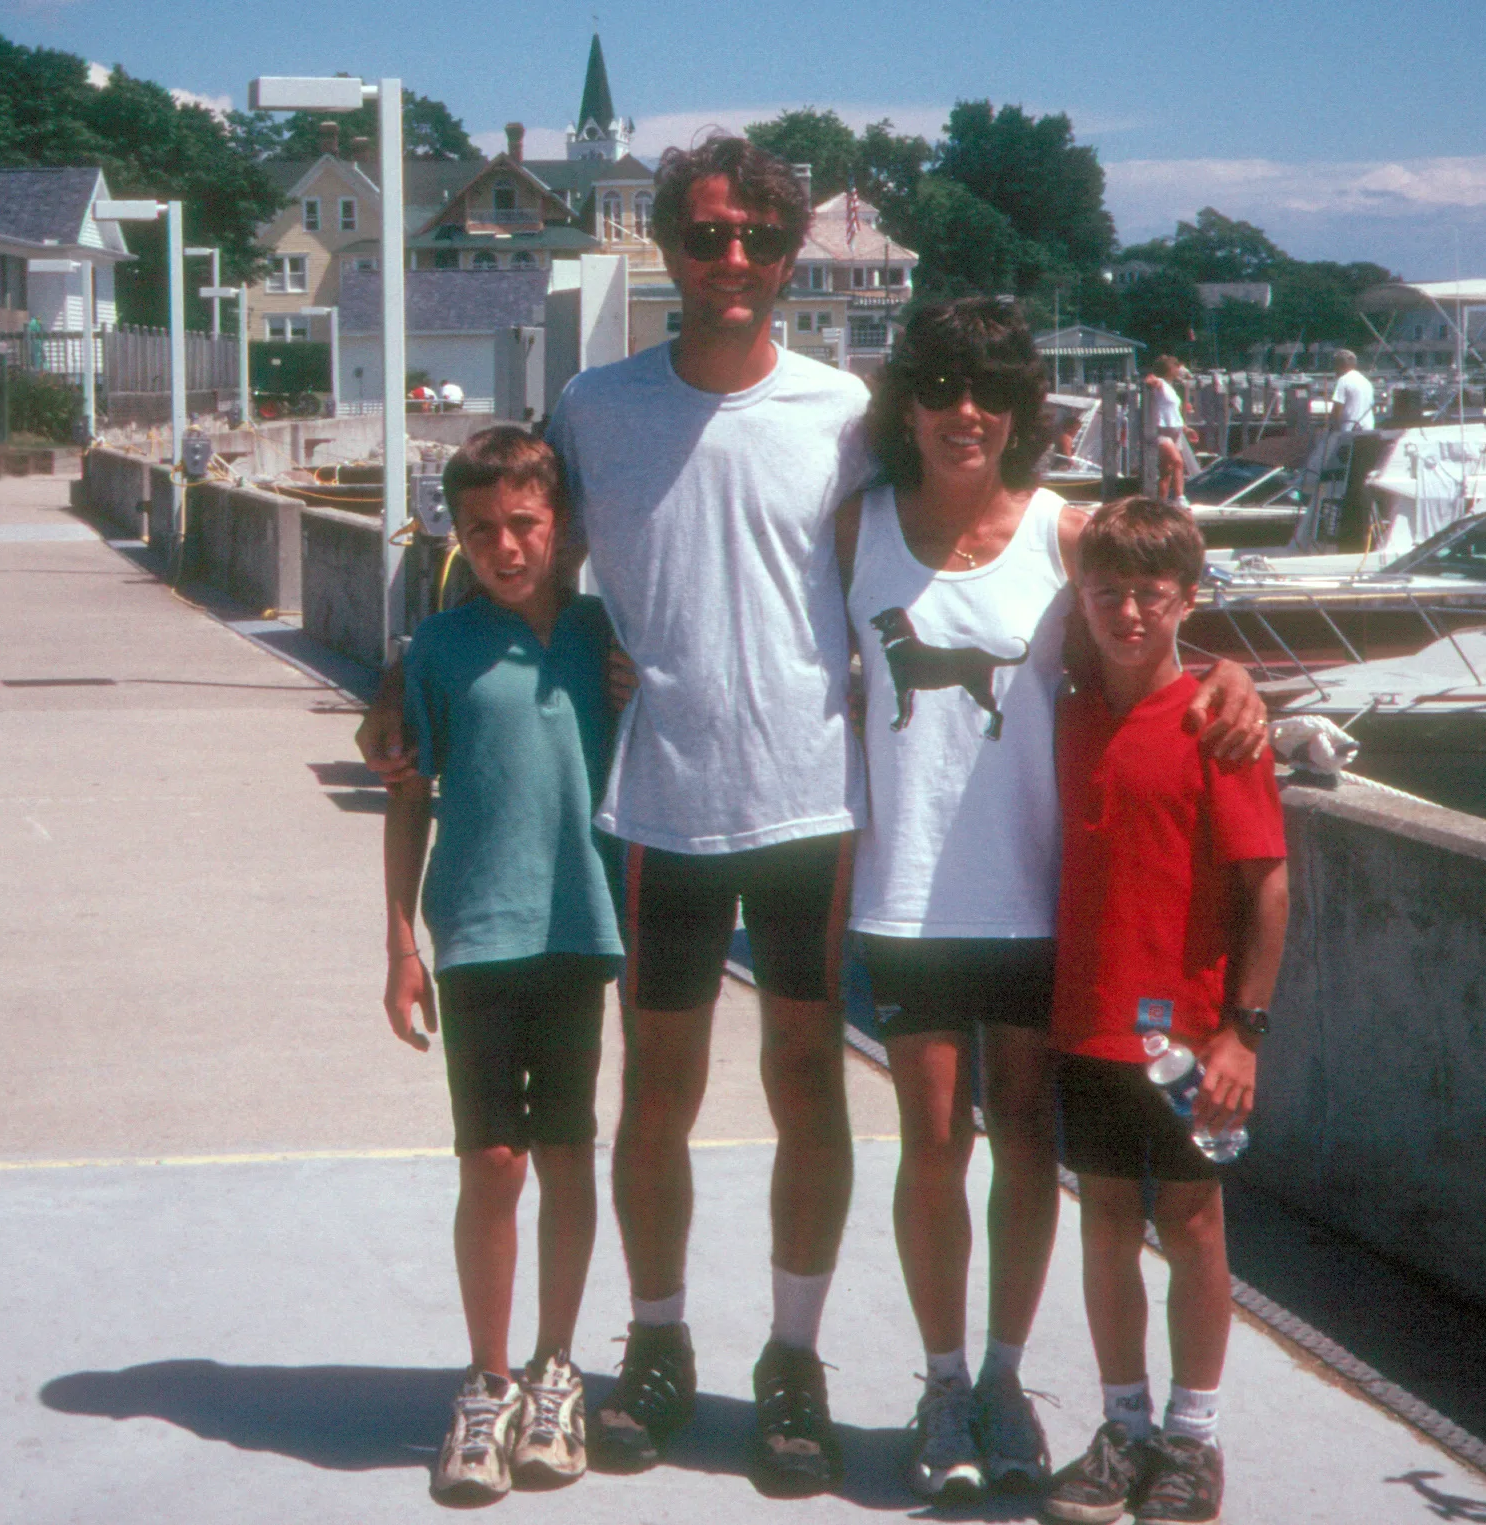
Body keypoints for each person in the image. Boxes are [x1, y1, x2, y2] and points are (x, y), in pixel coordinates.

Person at [361, 136, 1268, 1499]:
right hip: (660, 802)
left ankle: (794, 1356)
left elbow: (1103, 554)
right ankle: (657, 1346)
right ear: (665, 246)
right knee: (655, 1099)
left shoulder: (848, 413)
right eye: (709, 236)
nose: (734, 261)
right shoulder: (597, 409)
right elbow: (508, 535)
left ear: (792, 258)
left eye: (760, 240)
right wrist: (405, 665)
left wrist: (1229, 665)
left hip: (814, 811)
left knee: (807, 1093)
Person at [848, 298, 1268, 1504]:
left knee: (1027, 1147)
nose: (962, 412)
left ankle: (1003, 1378)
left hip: (1041, 908)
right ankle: (940, 1384)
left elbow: (1163, 613)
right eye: (938, 387)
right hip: (908, 898)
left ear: (1020, 412)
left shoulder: (1060, 531)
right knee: (932, 1145)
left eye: (988, 391)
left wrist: (1235, 670)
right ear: (908, 405)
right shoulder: (856, 530)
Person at [381, 428, 620, 1507]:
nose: (504, 546)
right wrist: (398, 945)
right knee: (494, 1161)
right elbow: (403, 793)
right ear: (454, 533)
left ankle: (554, 1368)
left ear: (560, 526)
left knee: (568, 1153)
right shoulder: (431, 648)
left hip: (581, 931)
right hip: (475, 936)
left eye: (524, 524)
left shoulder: (605, 638)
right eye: (479, 529)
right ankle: (485, 1382)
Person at [1041, 497, 1289, 1525]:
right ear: (1081, 599)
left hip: (1188, 1036)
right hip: (1087, 1022)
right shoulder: (1065, 704)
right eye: (1108, 592)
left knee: (1190, 1222)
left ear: (1186, 599)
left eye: (1151, 594)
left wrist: (1243, 1030)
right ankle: (1123, 1424)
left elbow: (1267, 886)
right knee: (1102, 1221)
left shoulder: (1215, 722)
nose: (1128, 612)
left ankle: (1192, 1436)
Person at [1144, 357, 1191, 507]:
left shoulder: (1171, 387)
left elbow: (1173, 412)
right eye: (1176, 367)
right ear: (1169, 369)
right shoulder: (1162, 384)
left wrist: (1186, 428)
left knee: (1166, 470)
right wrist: (1153, 380)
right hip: (1162, 431)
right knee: (1178, 462)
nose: (1178, 370)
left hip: (1175, 430)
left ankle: (1161, 503)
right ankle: (1180, 498)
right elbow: (1150, 379)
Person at [1328, 347, 1374, 434]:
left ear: (1339, 365)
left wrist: (1333, 429)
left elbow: (1337, 409)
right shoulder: (1366, 382)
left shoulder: (1343, 380)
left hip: (1349, 430)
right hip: (1368, 429)